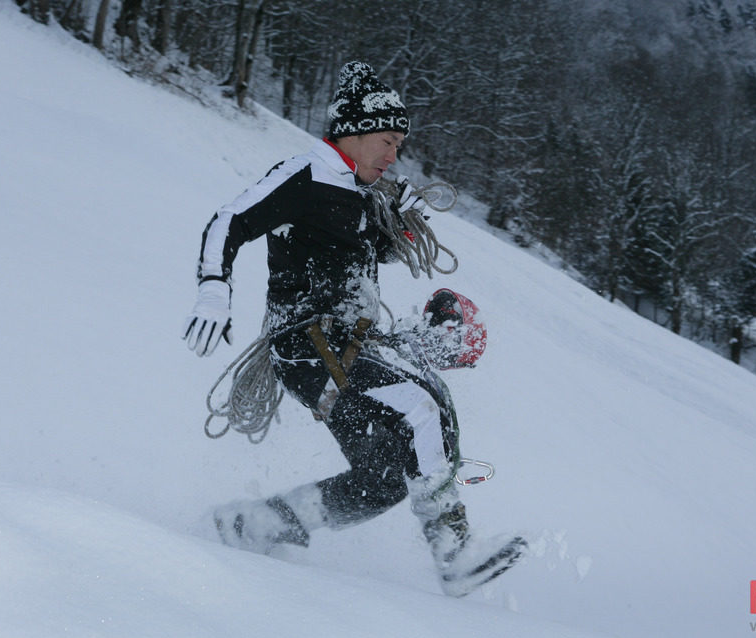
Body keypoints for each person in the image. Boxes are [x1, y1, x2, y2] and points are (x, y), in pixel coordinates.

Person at [182, 61, 524, 596]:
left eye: (399, 146)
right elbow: (231, 220)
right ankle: (454, 551)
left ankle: (257, 524)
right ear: (353, 132)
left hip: (346, 347)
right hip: (309, 348)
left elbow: (354, 255)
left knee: (383, 480)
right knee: (420, 407)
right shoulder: (305, 175)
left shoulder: (358, 191)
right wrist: (212, 285)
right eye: (387, 141)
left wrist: (401, 229)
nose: (394, 156)